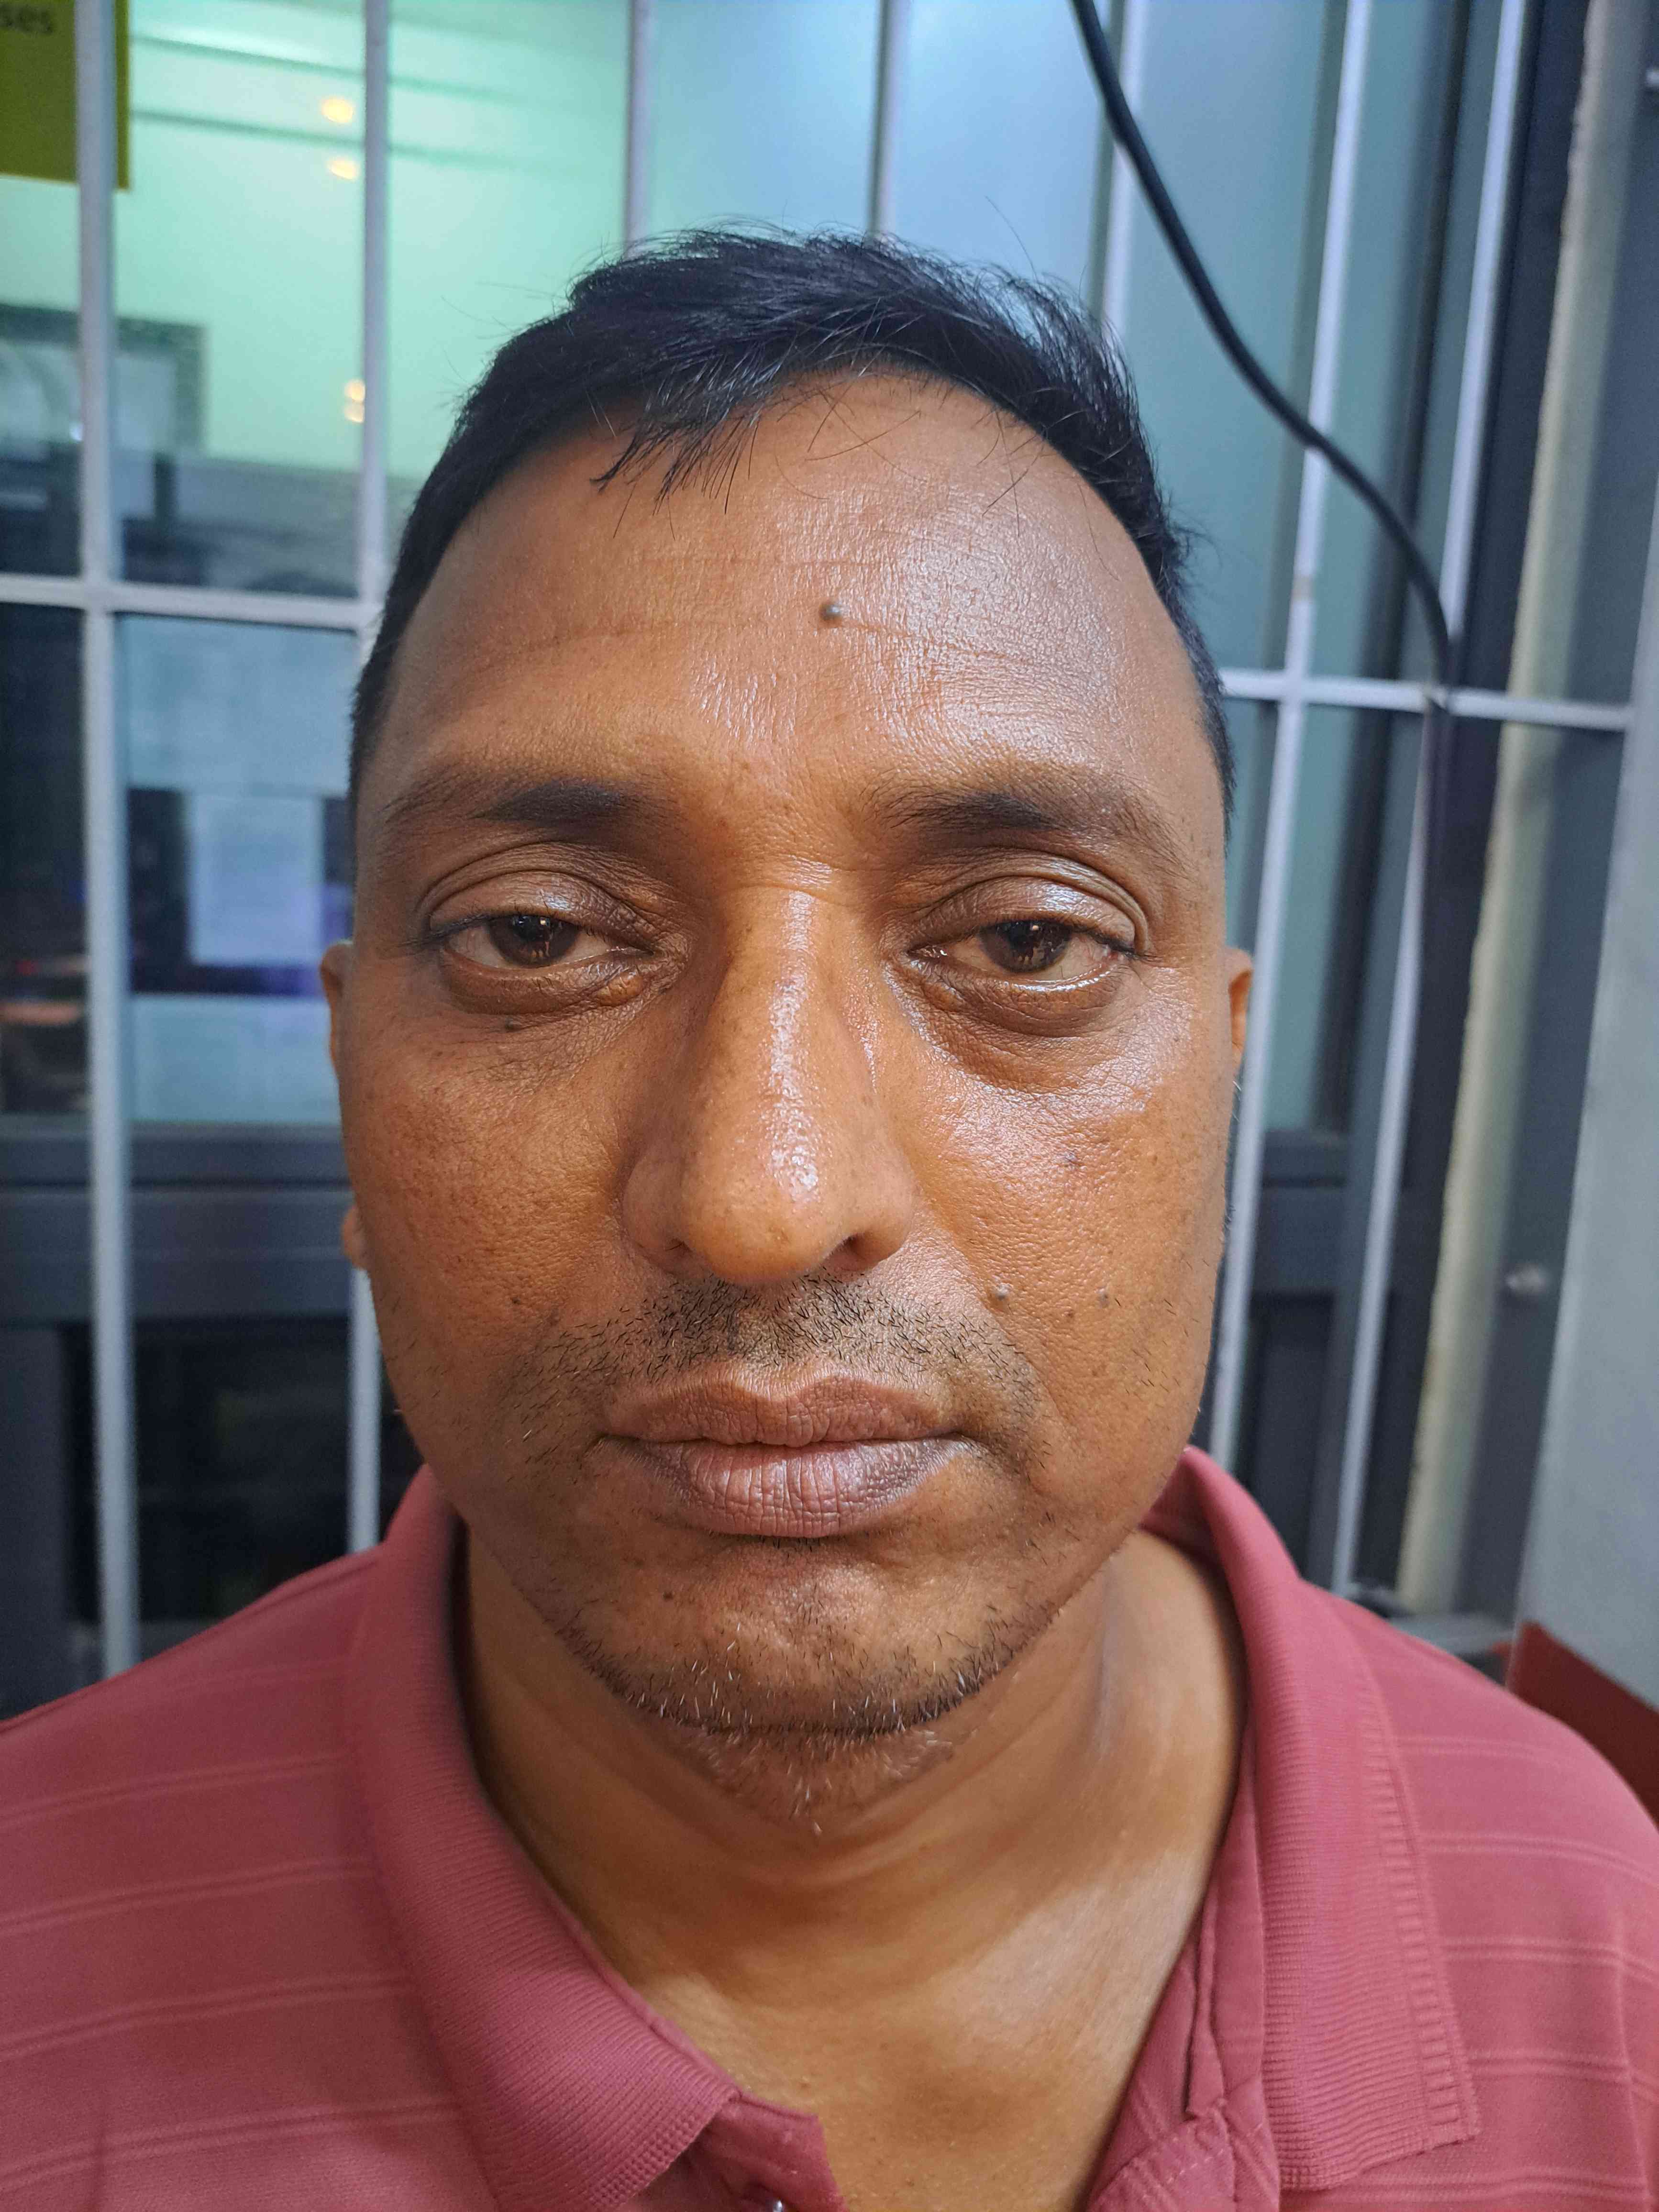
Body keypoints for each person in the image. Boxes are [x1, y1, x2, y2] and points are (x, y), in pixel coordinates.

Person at [2, 233, 1655, 2212]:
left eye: (1025, 941)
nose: (766, 1197)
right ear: (356, 1078)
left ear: (1218, 1078)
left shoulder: (1599, 1935)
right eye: (538, 936)